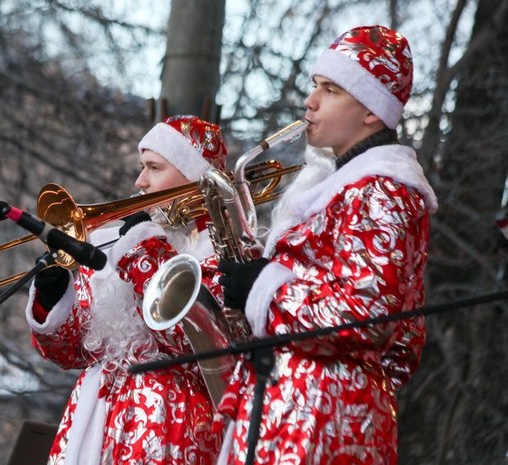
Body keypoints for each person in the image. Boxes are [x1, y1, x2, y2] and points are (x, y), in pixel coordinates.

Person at [214, 25, 438, 464]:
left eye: (330, 90)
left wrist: (264, 290)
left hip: (324, 416)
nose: (309, 102)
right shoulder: (349, 187)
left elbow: (366, 315)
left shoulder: (385, 191)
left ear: (372, 110)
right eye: (315, 86)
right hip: (298, 406)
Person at [25, 115, 228, 465]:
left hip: (170, 428)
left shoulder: (224, 250)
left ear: (193, 176)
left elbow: (192, 341)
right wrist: (51, 302)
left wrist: (144, 251)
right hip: (94, 424)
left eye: (154, 167)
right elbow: (71, 353)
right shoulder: (123, 243)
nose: (140, 181)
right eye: (141, 167)